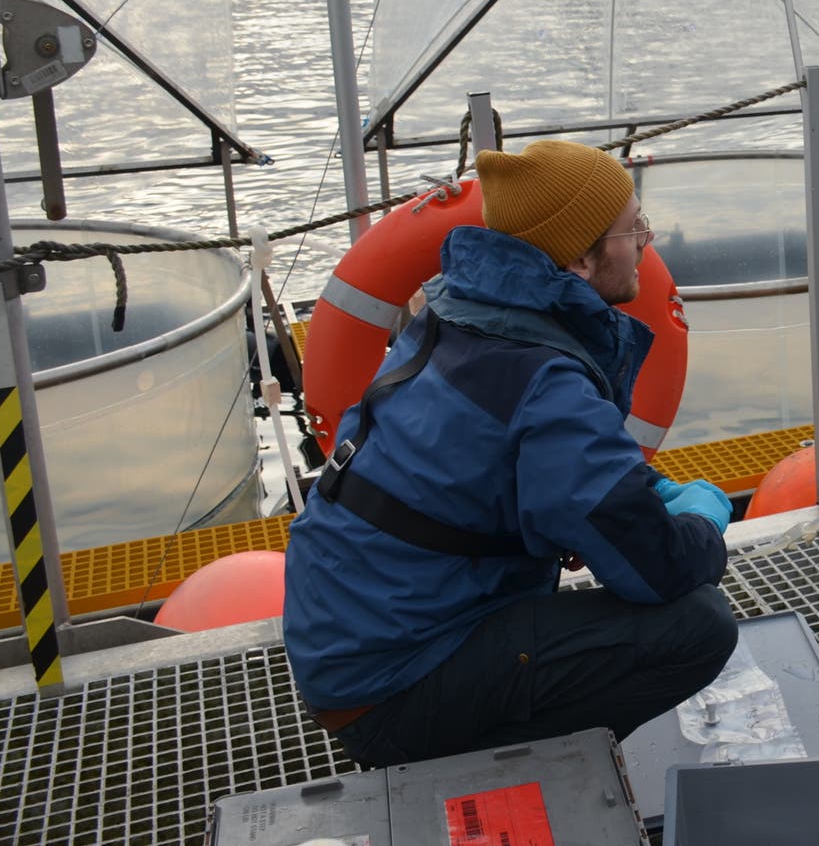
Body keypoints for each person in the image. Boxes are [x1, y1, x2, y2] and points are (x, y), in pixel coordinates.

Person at [283, 139, 738, 768]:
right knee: (699, 625)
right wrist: (704, 519)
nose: (646, 242)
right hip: (390, 690)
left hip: (349, 638)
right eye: (634, 229)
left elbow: (475, 471)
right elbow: (659, 570)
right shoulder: (548, 383)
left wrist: (611, 501)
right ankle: (510, 776)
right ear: (581, 257)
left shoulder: (453, 307)